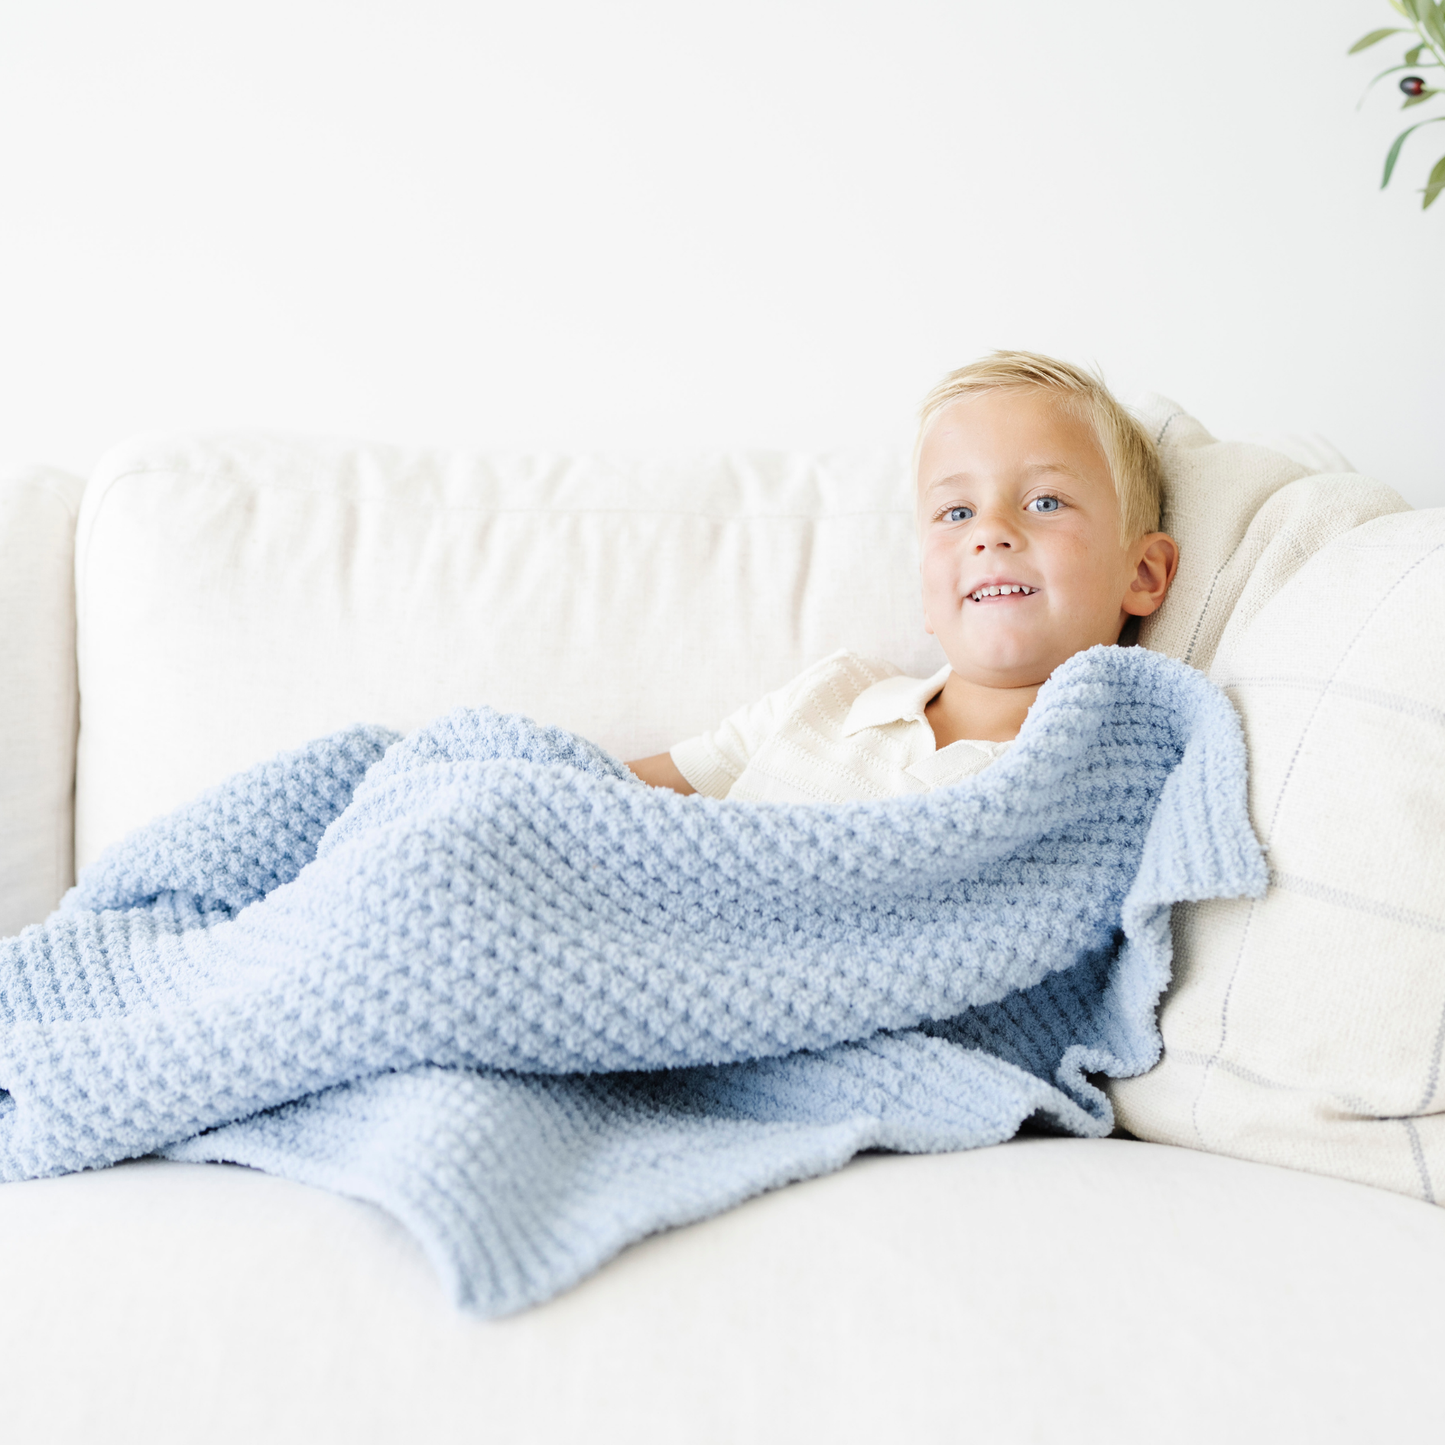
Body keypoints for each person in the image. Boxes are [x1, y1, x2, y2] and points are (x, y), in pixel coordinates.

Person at [626, 350, 1179, 802]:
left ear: (1144, 574)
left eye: (1045, 501)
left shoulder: (1116, 769)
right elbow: (604, 796)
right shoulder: (830, 698)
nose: (990, 531)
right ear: (926, 594)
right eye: (957, 513)